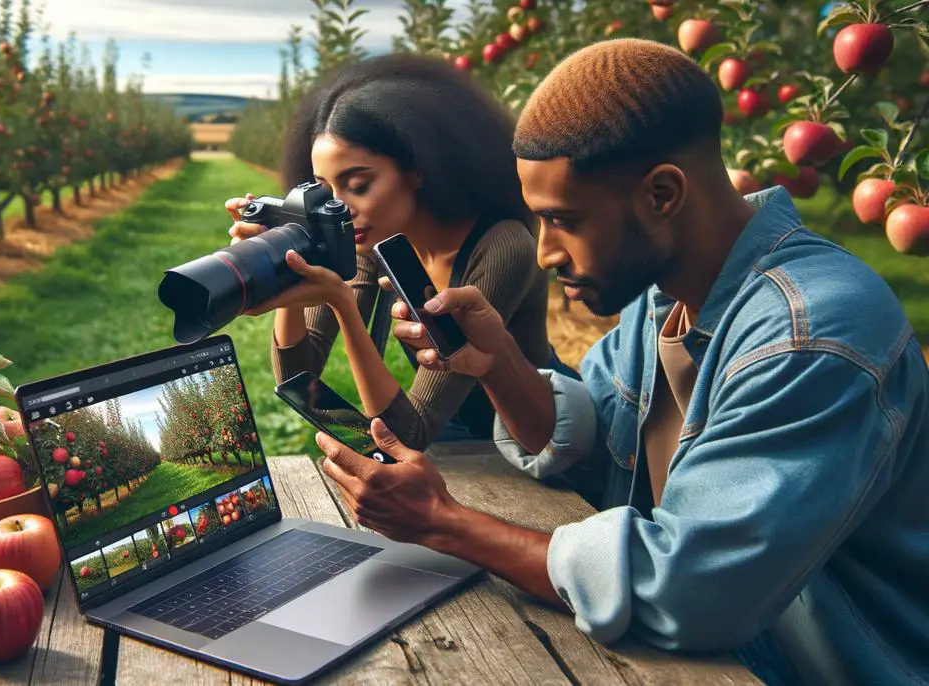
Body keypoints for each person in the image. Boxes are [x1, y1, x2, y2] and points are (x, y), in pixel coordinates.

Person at [317, 38, 929, 686]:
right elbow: (592, 437)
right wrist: (495, 362)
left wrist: (443, 522)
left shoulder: (813, 337)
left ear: (662, 194)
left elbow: (690, 591)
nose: (545, 253)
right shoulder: (664, 295)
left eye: (563, 221)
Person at [224, 52, 578, 451]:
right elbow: (298, 378)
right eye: (324, 190)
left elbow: (410, 433)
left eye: (358, 185)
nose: (340, 208)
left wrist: (341, 302)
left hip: (544, 443)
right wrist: (284, 271)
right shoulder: (370, 238)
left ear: (417, 169)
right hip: (457, 440)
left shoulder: (502, 246)